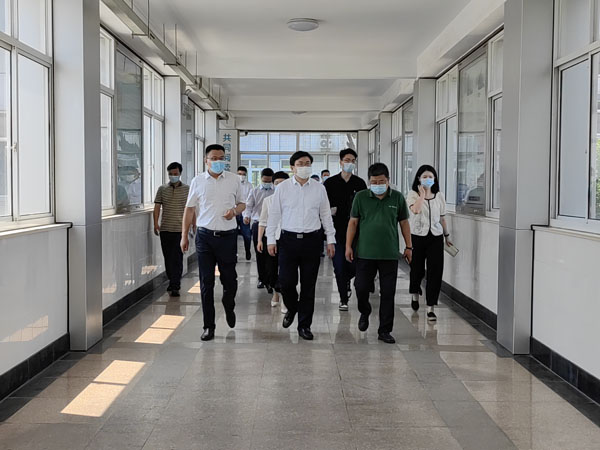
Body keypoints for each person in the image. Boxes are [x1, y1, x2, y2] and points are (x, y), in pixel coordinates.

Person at [267, 151, 336, 340]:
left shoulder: (319, 189)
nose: (304, 166)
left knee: (308, 286)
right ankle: (292, 308)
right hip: (288, 240)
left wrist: (330, 239)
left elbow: (325, 215)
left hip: (312, 241)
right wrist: (270, 239)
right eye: (300, 163)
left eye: (307, 163)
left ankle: (304, 326)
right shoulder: (283, 188)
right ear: (292, 167)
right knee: (286, 282)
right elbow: (274, 214)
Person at [181, 144, 246, 341]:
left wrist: (234, 212)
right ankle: (209, 326)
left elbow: (242, 204)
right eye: (214, 158)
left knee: (230, 280)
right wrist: (184, 235)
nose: (218, 161)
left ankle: (228, 304)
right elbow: (189, 209)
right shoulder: (198, 181)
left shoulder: (234, 179)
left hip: (228, 237)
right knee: (206, 282)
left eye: (221, 158)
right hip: (205, 237)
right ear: (206, 160)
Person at [346, 163, 413, 344]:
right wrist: (348, 246)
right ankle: (365, 310)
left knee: (388, 293)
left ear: (388, 180)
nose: (378, 185)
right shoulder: (361, 197)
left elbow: (404, 223)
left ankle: (385, 330)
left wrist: (409, 247)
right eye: (374, 182)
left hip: (389, 254)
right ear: (369, 181)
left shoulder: (397, 198)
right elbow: (353, 223)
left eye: (381, 181)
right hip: (365, 253)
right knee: (360, 287)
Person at [406, 165, 452, 322]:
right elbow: (416, 210)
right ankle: (415, 293)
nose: (428, 179)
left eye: (430, 177)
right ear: (419, 178)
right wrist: (422, 195)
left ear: (435, 179)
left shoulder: (439, 196)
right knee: (417, 269)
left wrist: (447, 236)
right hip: (417, 236)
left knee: (435, 271)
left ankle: (431, 307)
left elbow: (442, 218)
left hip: (436, 237)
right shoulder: (412, 194)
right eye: (424, 176)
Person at [324, 148, 367, 311]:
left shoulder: (360, 183)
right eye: (347, 160)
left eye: (353, 161)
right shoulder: (330, 183)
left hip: (357, 232)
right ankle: (343, 298)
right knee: (339, 265)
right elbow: (323, 207)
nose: (350, 163)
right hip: (337, 231)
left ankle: (347, 280)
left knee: (354, 265)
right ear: (340, 162)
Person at [153, 162, 190, 297]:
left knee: (177, 258)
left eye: (175, 174)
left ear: (180, 174)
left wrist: (192, 225)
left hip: (180, 230)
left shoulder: (187, 189)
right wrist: (155, 223)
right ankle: (172, 281)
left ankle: (175, 285)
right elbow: (157, 207)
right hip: (165, 229)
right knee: (168, 258)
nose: (173, 176)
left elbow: (190, 209)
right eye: (171, 174)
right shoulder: (162, 189)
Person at [256, 171, 290, 313]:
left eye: (283, 183)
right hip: (271, 239)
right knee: (271, 269)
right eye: (277, 183)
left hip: (288, 239)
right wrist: (259, 240)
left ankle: (285, 299)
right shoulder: (268, 200)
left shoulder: (292, 200)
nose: (279, 185)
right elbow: (263, 221)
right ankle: (276, 292)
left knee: (286, 270)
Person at [244, 168, 275, 291]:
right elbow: (248, 206)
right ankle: (262, 278)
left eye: (269, 181)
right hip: (258, 224)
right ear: (261, 178)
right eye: (265, 180)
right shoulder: (255, 191)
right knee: (260, 252)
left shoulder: (276, 190)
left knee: (272, 253)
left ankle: (271, 279)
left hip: (272, 225)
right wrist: (247, 216)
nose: (267, 183)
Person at [236, 166, 254, 260]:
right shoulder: (233, 184)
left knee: (247, 235)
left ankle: (248, 251)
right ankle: (234, 254)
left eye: (243, 174)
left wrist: (247, 215)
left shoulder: (249, 186)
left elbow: (250, 201)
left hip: (244, 212)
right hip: (234, 213)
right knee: (232, 235)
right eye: (239, 174)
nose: (241, 176)